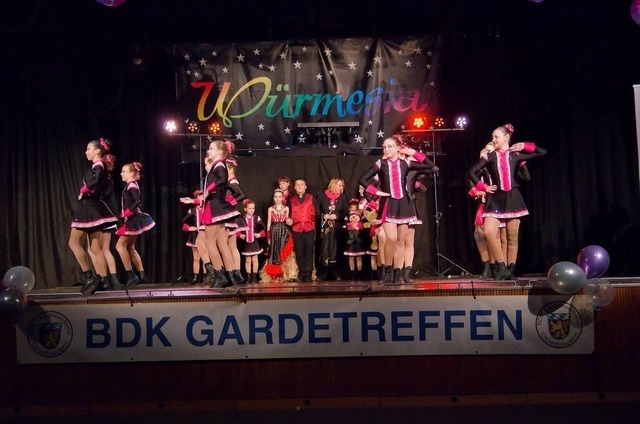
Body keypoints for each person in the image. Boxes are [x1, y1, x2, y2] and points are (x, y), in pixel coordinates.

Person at [467, 123, 546, 280]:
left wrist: (524, 145)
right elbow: (471, 172)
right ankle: (501, 267)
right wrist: (484, 186)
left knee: (511, 237)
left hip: (513, 199)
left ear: (506, 137)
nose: (494, 140)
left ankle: (510, 271)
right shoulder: (490, 156)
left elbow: (542, 152)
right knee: (489, 232)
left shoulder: (515, 155)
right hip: (495, 200)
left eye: (496, 137)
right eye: (493, 137)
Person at [358, 135, 439, 285]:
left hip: (404, 205)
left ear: (397, 148)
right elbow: (362, 179)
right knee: (391, 238)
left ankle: (398, 273)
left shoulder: (406, 163)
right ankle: (387, 271)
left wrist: (413, 152)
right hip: (388, 204)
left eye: (390, 146)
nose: (386, 149)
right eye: (384, 147)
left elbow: (433, 167)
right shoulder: (380, 164)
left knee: (401, 241)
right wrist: (377, 192)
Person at [69, 137, 119, 294]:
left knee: (73, 242)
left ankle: (89, 276)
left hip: (88, 207)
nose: (86, 152)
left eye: (88, 149)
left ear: (97, 151)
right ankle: (104, 281)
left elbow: (96, 180)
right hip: (94, 207)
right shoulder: (100, 166)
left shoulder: (98, 165)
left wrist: (85, 189)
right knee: (95, 247)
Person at [200, 139, 243, 288]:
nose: (209, 151)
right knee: (217, 242)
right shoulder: (217, 165)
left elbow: (222, 180)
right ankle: (227, 276)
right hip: (215, 205)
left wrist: (208, 190)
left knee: (209, 242)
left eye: (211, 148)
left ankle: (220, 275)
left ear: (219, 151)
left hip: (215, 206)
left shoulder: (219, 164)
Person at [115, 162, 156, 288]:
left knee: (120, 246)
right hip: (133, 218)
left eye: (124, 171)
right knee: (130, 248)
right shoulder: (131, 185)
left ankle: (131, 275)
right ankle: (142, 275)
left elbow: (137, 201)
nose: (121, 174)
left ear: (132, 173)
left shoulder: (132, 185)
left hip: (133, 218)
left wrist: (126, 213)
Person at [261, 189, 297, 282]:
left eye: (279, 197)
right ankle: (276, 275)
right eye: (276, 197)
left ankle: (286, 275)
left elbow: (287, 220)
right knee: (275, 252)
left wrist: (290, 221)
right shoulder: (271, 209)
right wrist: (268, 237)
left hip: (284, 232)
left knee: (284, 252)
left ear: (282, 198)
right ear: (273, 198)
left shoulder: (286, 208)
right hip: (274, 232)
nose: (277, 199)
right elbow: (268, 224)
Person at [286, 178, 318, 282]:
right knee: (299, 252)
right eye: (297, 185)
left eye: (302, 184)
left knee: (309, 252)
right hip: (296, 229)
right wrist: (288, 220)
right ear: (295, 187)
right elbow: (288, 215)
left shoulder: (311, 198)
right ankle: (302, 272)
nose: (299, 186)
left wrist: (313, 222)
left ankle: (308, 274)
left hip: (309, 228)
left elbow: (317, 212)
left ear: (305, 187)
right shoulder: (291, 200)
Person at [317, 178, 348, 280]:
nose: (341, 187)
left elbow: (346, 211)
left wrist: (337, 216)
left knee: (336, 249)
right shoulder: (322, 196)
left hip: (337, 230)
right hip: (325, 229)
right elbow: (316, 210)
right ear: (333, 185)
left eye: (342, 186)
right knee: (324, 248)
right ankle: (324, 271)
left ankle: (336, 272)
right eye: (339, 185)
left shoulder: (343, 197)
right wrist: (323, 215)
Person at [224, 159, 248, 284]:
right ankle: (235, 273)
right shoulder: (230, 182)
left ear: (230, 170)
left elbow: (242, 195)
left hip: (228, 216)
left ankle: (232, 273)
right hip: (229, 215)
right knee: (230, 246)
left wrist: (230, 202)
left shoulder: (232, 182)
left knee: (228, 247)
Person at [179, 189, 204, 284]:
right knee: (196, 257)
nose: (202, 198)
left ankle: (207, 276)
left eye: (203, 196)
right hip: (195, 235)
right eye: (200, 196)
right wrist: (189, 228)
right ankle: (195, 277)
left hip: (206, 234)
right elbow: (183, 221)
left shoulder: (207, 208)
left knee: (206, 257)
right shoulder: (192, 210)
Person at [238, 199, 265, 283]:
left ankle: (254, 277)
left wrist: (259, 234)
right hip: (246, 242)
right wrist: (240, 235)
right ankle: (248, 277)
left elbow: (263, 228)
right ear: (245, 209)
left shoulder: (256, 218)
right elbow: (236, 229)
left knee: (255, 259)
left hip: (254, 242)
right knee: (248, 260)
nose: (251, 210)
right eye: (249, 208)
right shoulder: (242, 219)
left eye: (253, 208)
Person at [344, 210, 366, 280]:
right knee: (351, 258)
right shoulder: (347, 225)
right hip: (350, 244)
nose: (354, 218)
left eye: (355, 216)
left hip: (358, 244)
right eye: (352, 217)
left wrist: (358, 229)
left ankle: (359, 274)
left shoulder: (361, 225)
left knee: (359, 257)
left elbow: (364, 234)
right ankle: (352, 274)